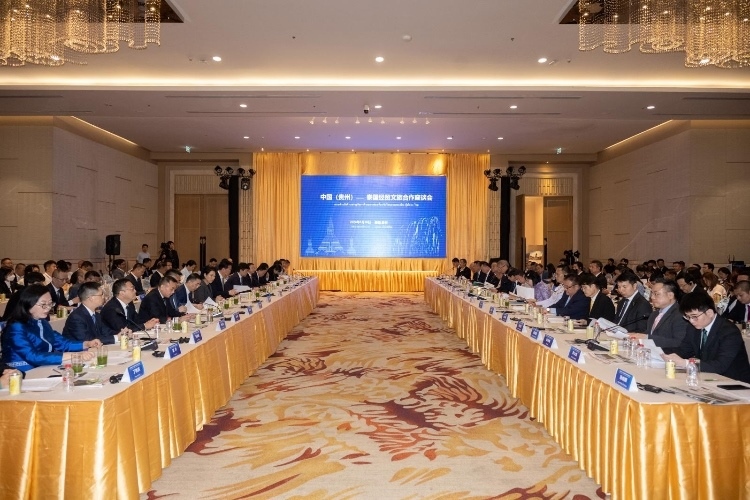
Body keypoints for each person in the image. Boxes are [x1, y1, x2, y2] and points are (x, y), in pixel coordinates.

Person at [1, 284, 99, 372]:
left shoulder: (42, 322)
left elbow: (61, 343)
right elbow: (32, 356)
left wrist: (86, 344)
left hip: (42, 367)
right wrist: (74, 355)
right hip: (20, 372)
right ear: (28, 304)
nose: (48, 308)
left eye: (50, 303)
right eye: (43, 304)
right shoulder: (16, 327)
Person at [662, 292, 750, 383]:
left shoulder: (729, 332)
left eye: (694, 317)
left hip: (734, 383)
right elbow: (684, 350)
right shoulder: (693, 328)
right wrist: (660, 352)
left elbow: (720, 365)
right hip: (708, 378)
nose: (691, 321)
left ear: (709, 313)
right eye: (687, 317)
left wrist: (686, 363)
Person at [642, 278, 688, 353]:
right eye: (652, 293)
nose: (652, 297)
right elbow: (649, 333)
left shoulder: (680, 315)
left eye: (656, 294)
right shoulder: (654, 314)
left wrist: (648, 338)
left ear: (670, 295)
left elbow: (678, 342)